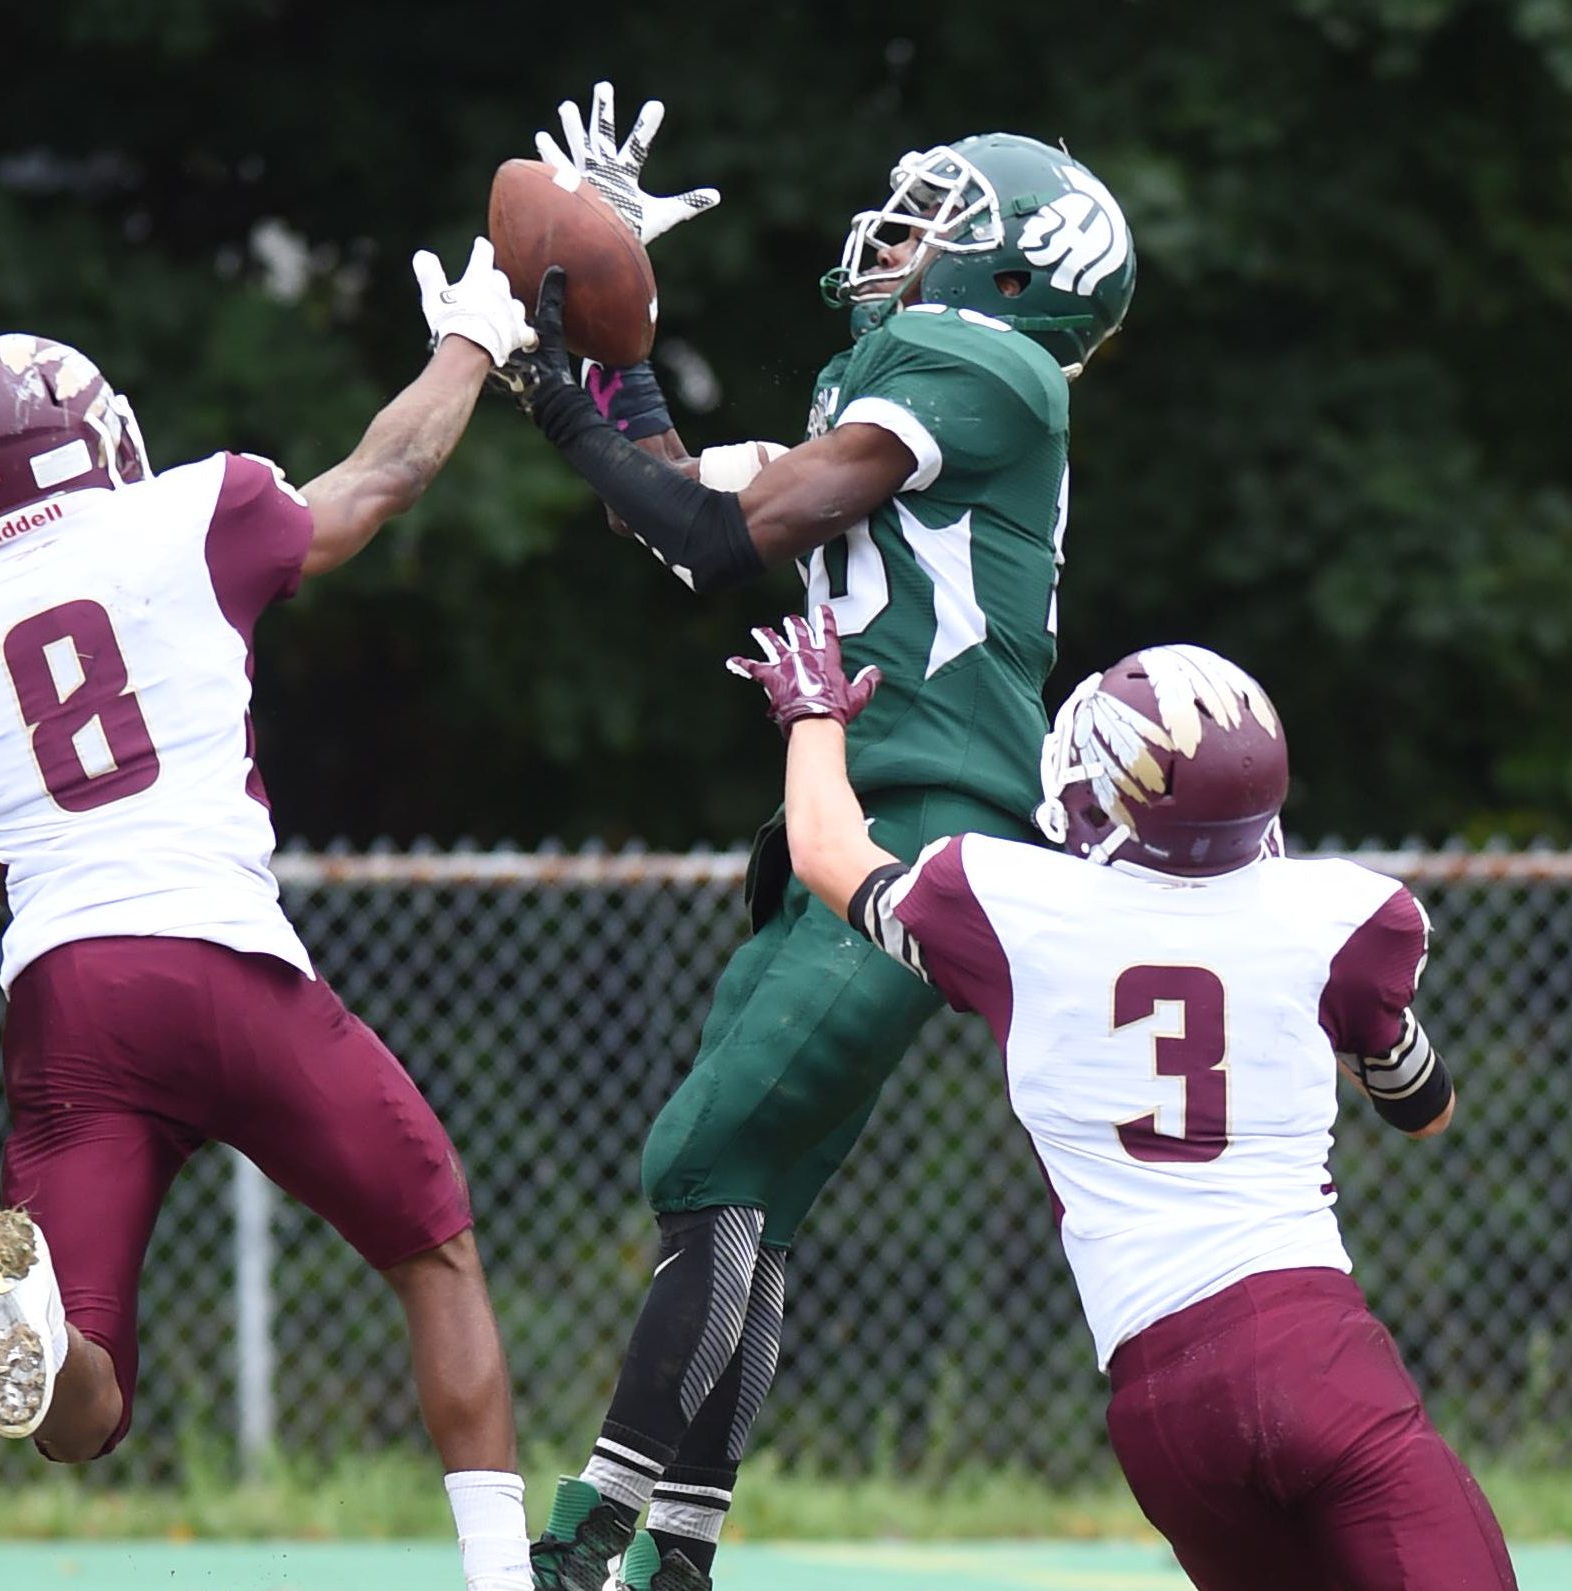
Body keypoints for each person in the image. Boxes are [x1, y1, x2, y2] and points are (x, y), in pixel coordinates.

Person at [505, 85, 1137, 1591]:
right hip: (845, 818)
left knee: (710, 1149)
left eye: (946, 226)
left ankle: (587, 1538)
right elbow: (676, 513)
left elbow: (730, 537)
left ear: (1014, 277)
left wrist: (550, 393)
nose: (905, 240)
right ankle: (677, 1552)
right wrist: (616, 350)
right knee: (748, 1193)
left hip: (919, 820)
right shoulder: (898, 389)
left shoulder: (984, 364)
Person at [0, 241, 538, 1591]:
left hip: (68, 993)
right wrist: (469, 342)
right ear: (90, 432)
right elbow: (383, 478)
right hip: (224, 959)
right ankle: (501, 1574)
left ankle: (34, 1322)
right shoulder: (193, 510)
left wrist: (53, 894)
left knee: (81, 1412)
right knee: (431, 1245)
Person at [727, 609, 1521, 1591]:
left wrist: (812, 711)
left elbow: (822, 846)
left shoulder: (1008, 905)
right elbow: (1423, 1107)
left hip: (1159, 1402)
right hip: (1311, 1354)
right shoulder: (1342, 919)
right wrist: (1359, 1034)